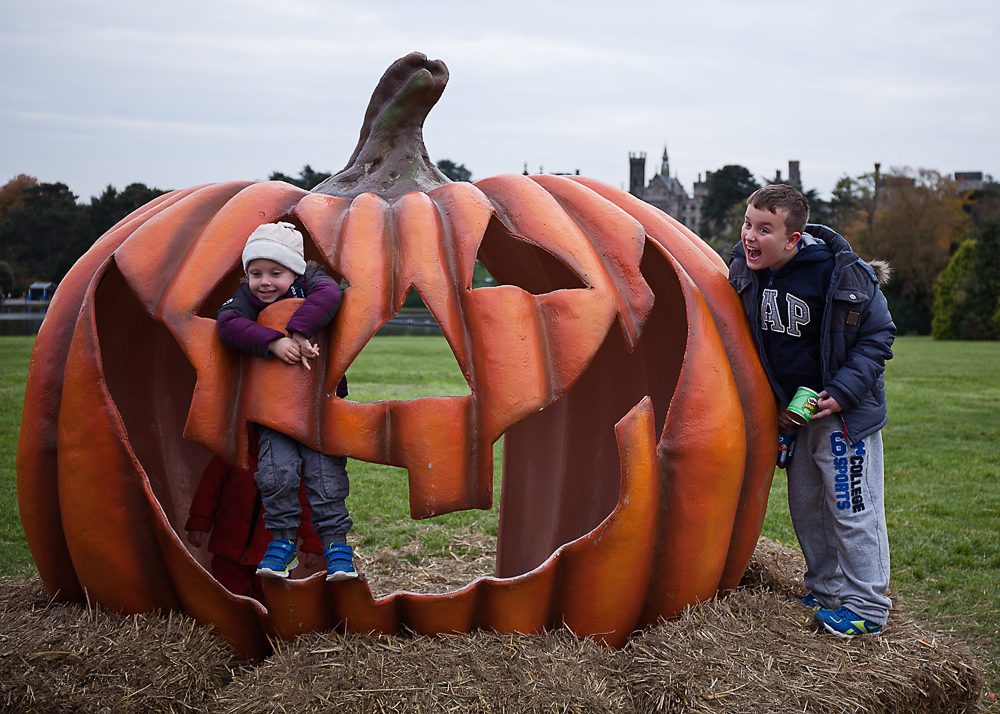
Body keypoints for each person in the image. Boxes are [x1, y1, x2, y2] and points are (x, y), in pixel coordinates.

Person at [728, 184, 895, 637]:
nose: (750, 237)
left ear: (793, 239)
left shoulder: (842, 274)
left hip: (842, 413)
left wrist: (842, 392)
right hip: (797, 417)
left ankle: (867, 606)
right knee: (807, 507)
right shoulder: (745, 274)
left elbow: (878, 337)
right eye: (747, 224)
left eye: (765, 229)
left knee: (851, 506)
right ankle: (827, 588)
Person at [217, 220, 357, 581]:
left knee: (326, 479)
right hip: (274, 410)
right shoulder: (246, 300)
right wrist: (273, 341)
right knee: (276, 474)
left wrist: (298, 328)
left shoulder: (313, 283)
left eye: (275, 273)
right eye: (256, 273)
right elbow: (227, 323)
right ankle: (281, 542)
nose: (265, 282)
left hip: (319, 409)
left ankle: (337, 548)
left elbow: (331, 296)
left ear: (293, 269)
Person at [184, 429, 324, 597]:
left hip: (274, 551)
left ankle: (265, 622)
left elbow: (306, 504)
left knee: (271, 599)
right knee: (228, 596)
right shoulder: (233, 452)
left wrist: (312, 543)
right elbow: (209, 489)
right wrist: (199, 523)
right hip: (229, 544)